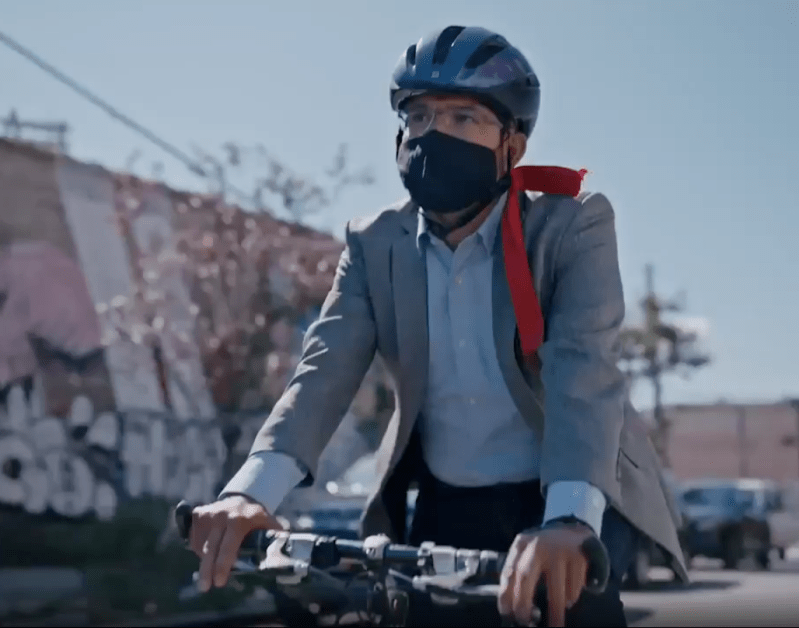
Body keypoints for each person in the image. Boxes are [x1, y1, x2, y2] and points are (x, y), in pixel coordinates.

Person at [187, 25, 687, 627]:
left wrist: (569, 520)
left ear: (512, 145)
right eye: (418, 116)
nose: (433, 134)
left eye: (463, 117)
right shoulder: (374, 243)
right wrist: (249, 493)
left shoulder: (569, 227)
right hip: (447, 499)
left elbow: (583, 371)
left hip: (565, 487)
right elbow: (323, 372)